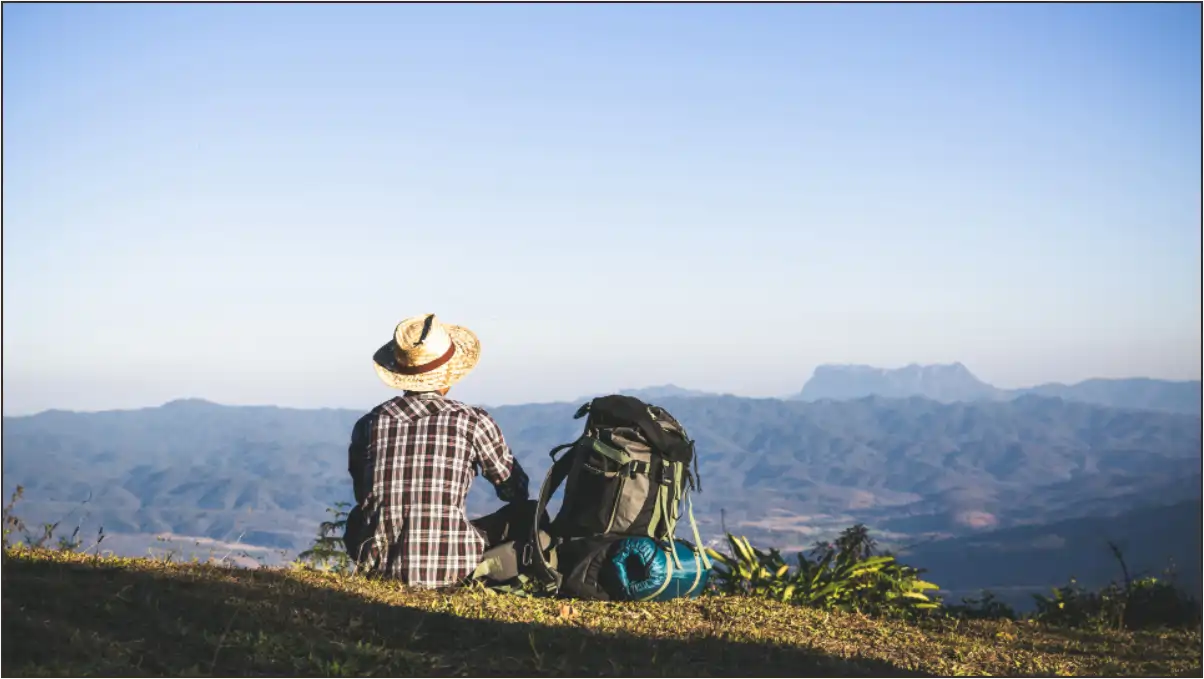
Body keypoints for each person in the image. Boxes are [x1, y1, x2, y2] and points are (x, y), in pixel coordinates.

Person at [342, 313, 530, 588]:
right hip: (454, 568)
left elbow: (364, 494)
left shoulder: (370, 423)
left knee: (356, 517)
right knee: (528, 513)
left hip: (380, 565)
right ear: (449, 375)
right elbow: (514, 490)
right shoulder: (472, 420)